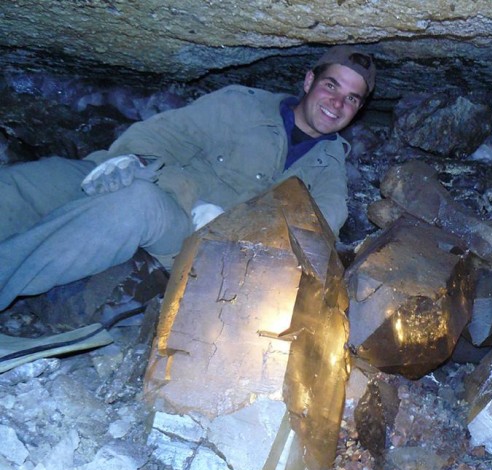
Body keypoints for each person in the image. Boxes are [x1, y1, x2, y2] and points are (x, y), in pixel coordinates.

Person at [0, 46, 376, 312]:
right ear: (310, 81)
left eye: (352, 98)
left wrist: (237, 225)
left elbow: (315, 233)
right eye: (332, 86)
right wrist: (130, 159)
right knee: (23, 185)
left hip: (188, 230)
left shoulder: (329, 169)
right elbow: (164, 135)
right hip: (146, 175)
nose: (337, 103)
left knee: (134, 205)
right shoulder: (241, 105)